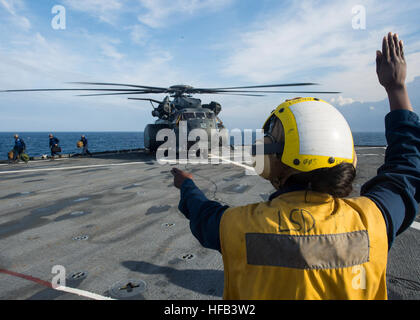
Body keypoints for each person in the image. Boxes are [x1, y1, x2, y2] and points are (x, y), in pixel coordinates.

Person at [170, 32, 419, 300]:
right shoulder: (373, 219)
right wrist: (397, 88)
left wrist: (187, 184)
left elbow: (202, 212)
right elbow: (406, 168)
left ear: (273, 162)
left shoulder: (236, 226)